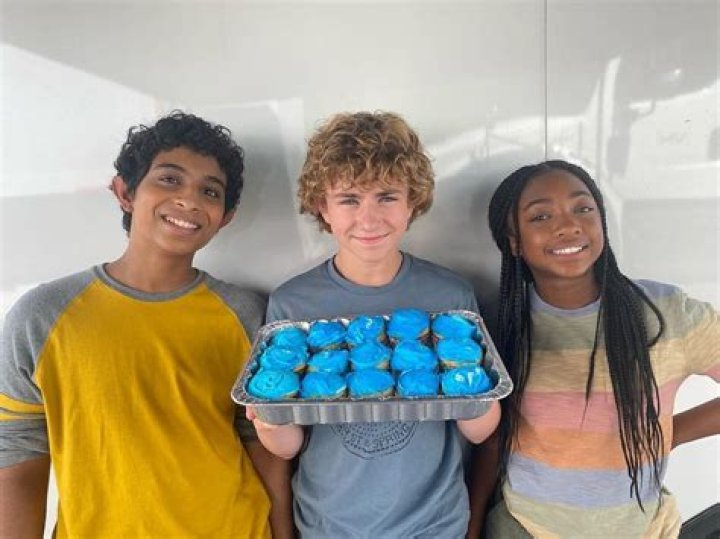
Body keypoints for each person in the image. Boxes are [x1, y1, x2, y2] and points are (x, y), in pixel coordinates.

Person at [0, 111, 291, 537]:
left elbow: (264, 445)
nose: (189, 200)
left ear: (225, 216)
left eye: (210, 191)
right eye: (169, 179)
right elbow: (16, 454)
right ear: (125, 192)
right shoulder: (42, 316)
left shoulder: (245, 314)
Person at [247, 111, 501, 538]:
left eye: (386, 196)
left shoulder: (450, 298)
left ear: (412, 202)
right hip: (330, 525)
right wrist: (270, 419)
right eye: (349, 199)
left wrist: (479, 397)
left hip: (433, 525)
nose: (368, 219)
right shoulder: (293, 304)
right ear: (322, 207)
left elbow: (478, 433)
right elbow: (288, 447)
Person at [469, 159, 719, 537]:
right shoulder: (504, 326)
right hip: (525, 529)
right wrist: (471, 527)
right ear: (515, 241)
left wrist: (669, 433)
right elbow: (493, 440)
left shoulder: (667, 313)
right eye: (541, 217)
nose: (569, 225)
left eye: (583, 209)